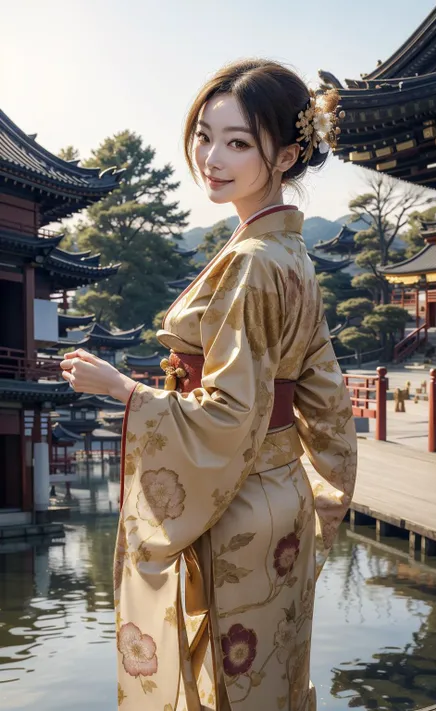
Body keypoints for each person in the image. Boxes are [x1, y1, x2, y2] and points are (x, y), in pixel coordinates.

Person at [60, 58, 357, 711]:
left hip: (238, 503)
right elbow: (327, 394)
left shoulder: (253, 264)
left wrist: (124, 391)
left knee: (226, 685)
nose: (211, 157)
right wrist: (323, 498)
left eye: (239, 142)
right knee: (270, 680)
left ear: (286, 154)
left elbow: (230, 415)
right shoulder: (288, 251)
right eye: (204, 134)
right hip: (282, 496)